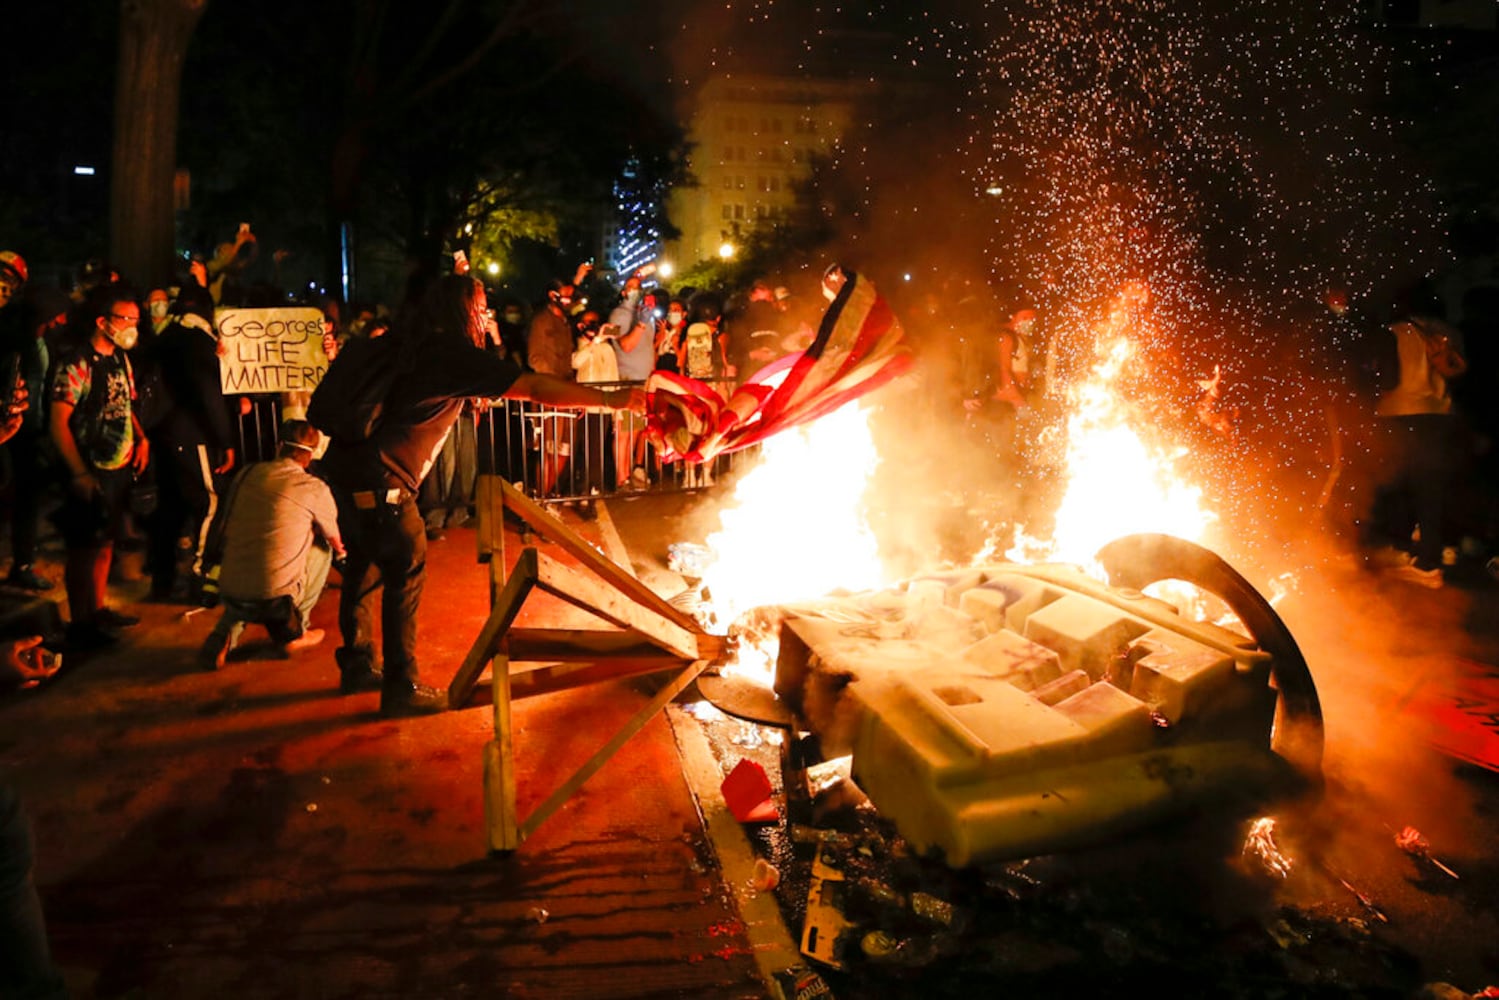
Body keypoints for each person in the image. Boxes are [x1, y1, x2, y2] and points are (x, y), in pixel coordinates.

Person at [318, 274, 645, 716]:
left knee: (363, 567)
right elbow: (537, 388)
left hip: (343, 474)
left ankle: (357, 664)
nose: (485, 314)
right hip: (385, 485)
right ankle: (400, 686)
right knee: (404, 571)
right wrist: (619, 400)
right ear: (462, 312)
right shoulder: (449, 354)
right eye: (480, 307)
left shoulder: (396, 343)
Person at [49, 286, 151, 649]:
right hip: (88, 466)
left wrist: (141, 438)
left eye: (137, 321)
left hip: (118, 466)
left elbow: (126, 403)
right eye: (127, 320)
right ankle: (81, 623)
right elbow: (58, 420)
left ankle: (98, 609)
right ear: (103, 322)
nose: (133, 328)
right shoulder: (77, 363)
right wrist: (78, 472)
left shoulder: (120, 359)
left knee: (106, 541)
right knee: (83, 547)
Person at [197, 420, 344, 670]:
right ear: (311, 454)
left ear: (278, 447)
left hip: (229, 585)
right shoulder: (313, 487)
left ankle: (223, 636)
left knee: (251, 568)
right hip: (276, 597)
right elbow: (336, 540)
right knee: (322, 548)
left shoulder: (246, 474)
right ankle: (296, 630)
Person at [145, 283, 237, 601]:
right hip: (193, 434)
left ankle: (163, 578)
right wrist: (224, 439)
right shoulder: (198, 342)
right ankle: (200, 577)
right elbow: (208, 395)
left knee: (169, 507)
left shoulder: (165, 336)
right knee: (209, 502)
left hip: (164, 434)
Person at [1367, 309, 1468, 587]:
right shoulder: (1445, 331)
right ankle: (1429, 560)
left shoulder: (1394, 332)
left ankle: (1401, 552)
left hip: (1401, 414)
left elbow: (1388, 380)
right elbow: (1459, 371)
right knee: (1431, 490)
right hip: (1439, 415)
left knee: (1395, 486)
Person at [0, 250, 52, 591]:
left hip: (21, 425)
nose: (4, 289)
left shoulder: (21, 329)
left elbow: (37, 375)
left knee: (26, 492)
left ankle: (22, 561)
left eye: (10, 285)